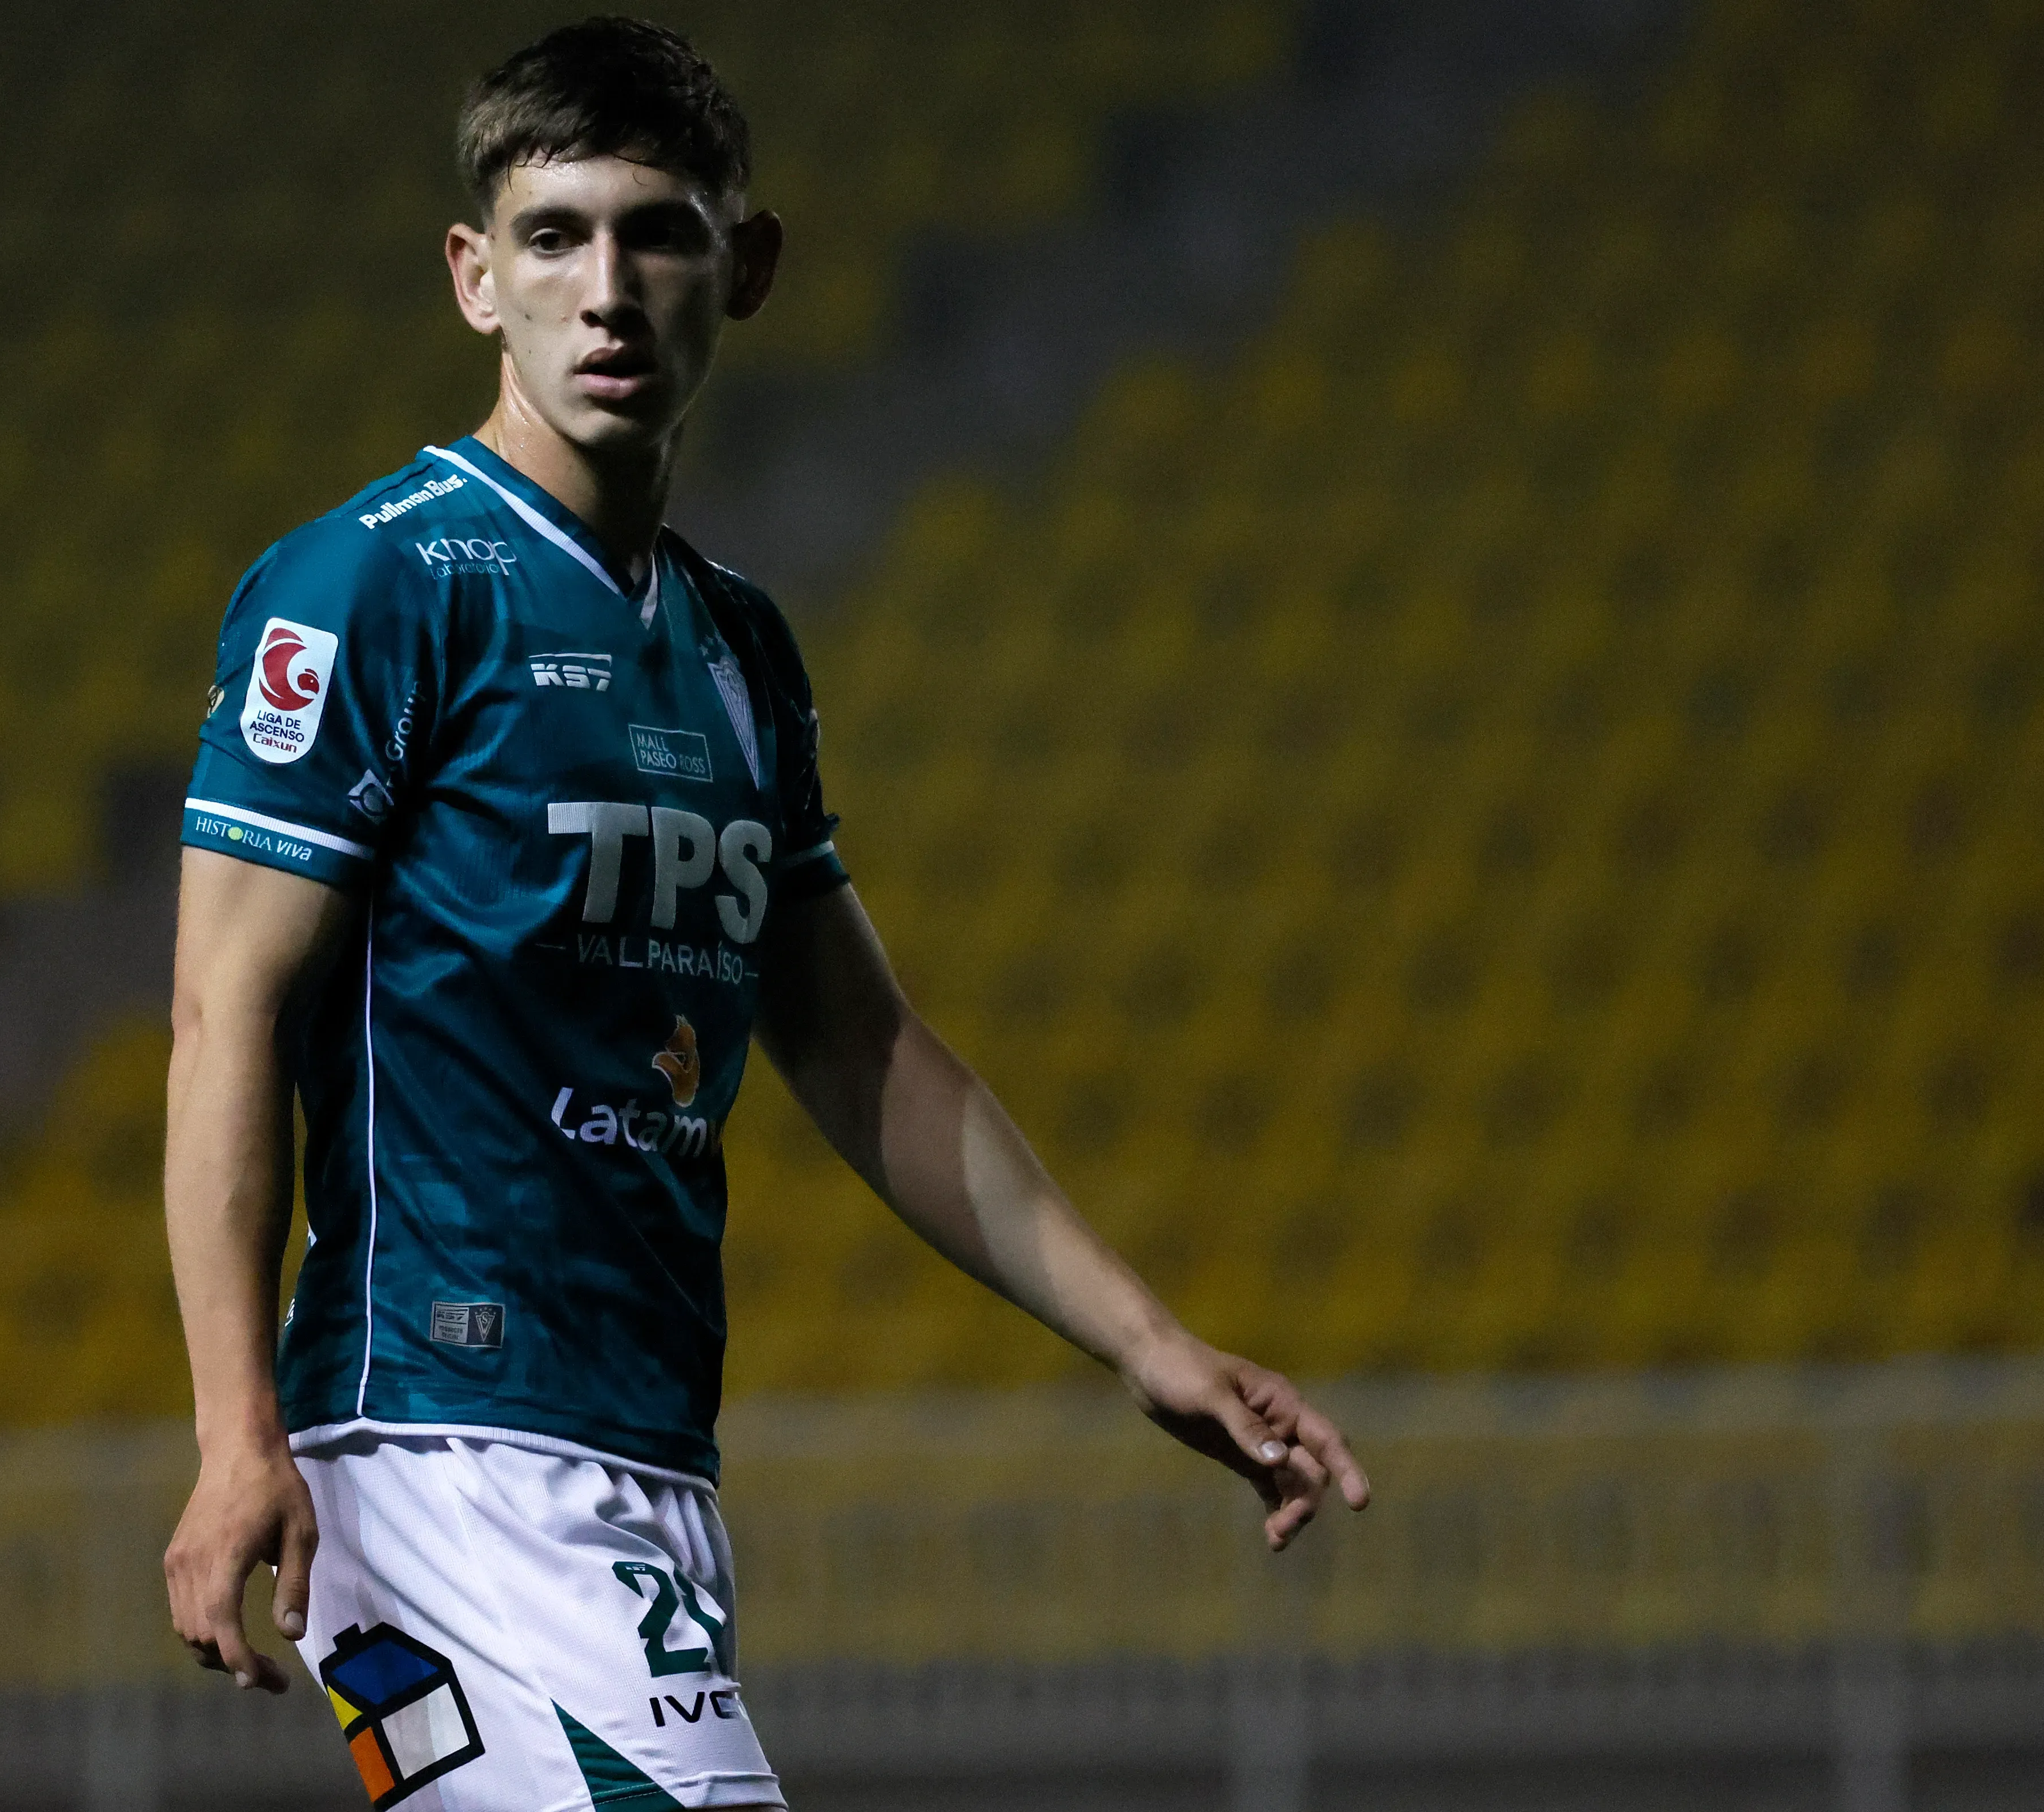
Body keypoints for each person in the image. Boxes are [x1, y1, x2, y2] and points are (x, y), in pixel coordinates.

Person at [160, 18, 1370, 1810]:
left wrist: (1147, 1339)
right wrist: (231, 1431)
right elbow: (220, 1012)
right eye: (554, 235)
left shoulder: (737, 652)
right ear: (472, 279)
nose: (608, 289)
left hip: (643, 1461)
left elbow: (857, 1037)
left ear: (750, 267)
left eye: (658, 233)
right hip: (429, 1455)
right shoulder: (378, 583)